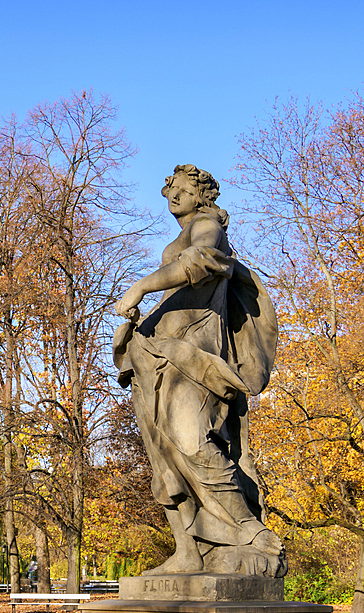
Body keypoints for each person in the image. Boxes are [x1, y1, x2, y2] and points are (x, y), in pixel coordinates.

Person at [114, 164, 285, 577]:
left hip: (196, 357)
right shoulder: (179, 235)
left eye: (184, 189)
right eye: (170, 187)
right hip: (159, 356)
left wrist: (141, 287)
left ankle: (250, 531)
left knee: (192, 442)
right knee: (165, 455)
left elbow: (205, 262)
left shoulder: (208, 227)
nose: (174, 194)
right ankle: (189, 550)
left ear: (202, 196)